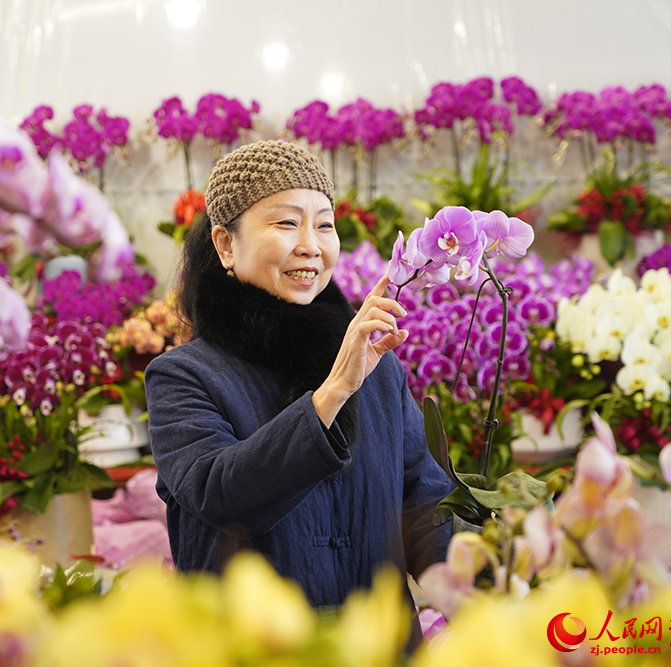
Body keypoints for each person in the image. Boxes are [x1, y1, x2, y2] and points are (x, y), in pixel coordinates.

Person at [144, 140, 454, 650]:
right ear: (225, 245)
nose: (311, 245)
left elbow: (421, 501)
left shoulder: (376, 366)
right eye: (287, 223)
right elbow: (221, 496)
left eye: (324, 225)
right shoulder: (183, 376)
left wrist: (479, 586)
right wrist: (332, 392)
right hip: (253, 651)